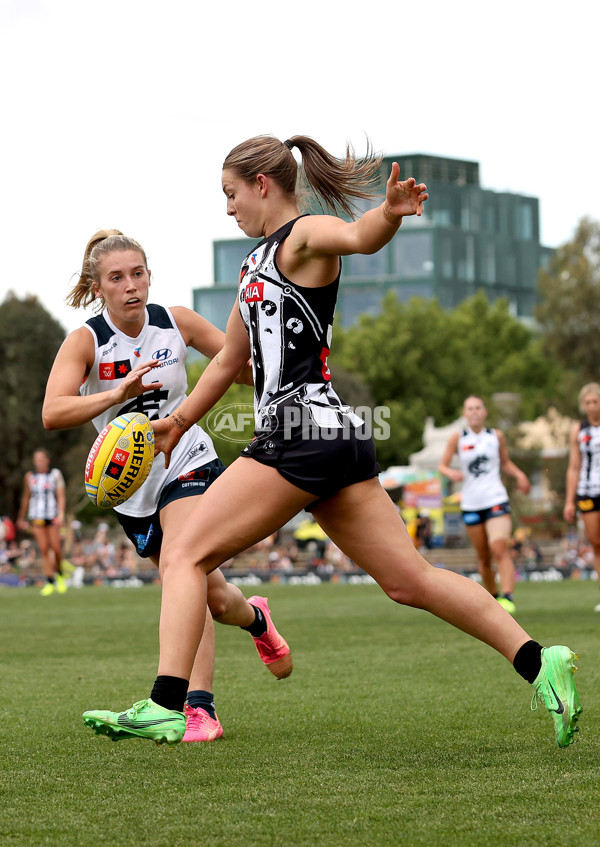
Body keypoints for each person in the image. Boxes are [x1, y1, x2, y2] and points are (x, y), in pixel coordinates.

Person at [83, 135, 580, 749]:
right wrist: (176, 425)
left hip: (298, 434)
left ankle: (166, 704)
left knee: (184, 556)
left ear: (263, 185)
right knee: (411, 581)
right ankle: (539, 661)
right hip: (336, 434)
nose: (228, 208)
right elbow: (227, 361)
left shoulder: (301, 237)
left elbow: (358, 234)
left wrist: (390, 215)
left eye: (231, 194)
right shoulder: (254, 265)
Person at [42, 229, 293, 743]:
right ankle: (255, 618)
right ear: (98, 287)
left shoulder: (175, 323)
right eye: (117, 277)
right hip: (131, 488)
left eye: (138, 273)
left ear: (150, 275)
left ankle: (196, 709)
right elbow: (53, 411)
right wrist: (116, 392)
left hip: (187, 461)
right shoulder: (86, 340)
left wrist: (276, 365)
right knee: (214, 599)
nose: (131, 286)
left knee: (186, 564)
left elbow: (238, 364)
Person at [438, 395, 531, 616]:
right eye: (470, 408)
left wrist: (520, 476)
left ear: (485, 412)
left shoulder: (495, 436)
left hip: (495, 498)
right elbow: (443, 465)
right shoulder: (457, 438)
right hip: (471, 502)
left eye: (478, 408)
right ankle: (494, 596)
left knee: (499, 548)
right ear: (464, 414)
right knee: (483, 556)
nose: (474, 412)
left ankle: (508, 597)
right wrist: (451, 472)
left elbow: (505, 462)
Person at [564, 382, 600, 611]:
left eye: (595, 401)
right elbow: (574, 466)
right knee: (596, 543)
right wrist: (569, 500)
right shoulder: (579, 430)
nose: (592, 406)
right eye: (587, 402)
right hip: (588, 491)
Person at [17, 448, 68, 596]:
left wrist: (61, 514)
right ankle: (50, 581)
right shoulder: (30, 477)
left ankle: (59, 574)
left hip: (52, 515)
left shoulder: (55, 474)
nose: (39, 462)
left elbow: (61, 496)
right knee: (44, 549)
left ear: (47, 460)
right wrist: (21, 517)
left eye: (41, 459)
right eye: (37, 459)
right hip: (37, 516)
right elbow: (26, 498)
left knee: (56, 549)